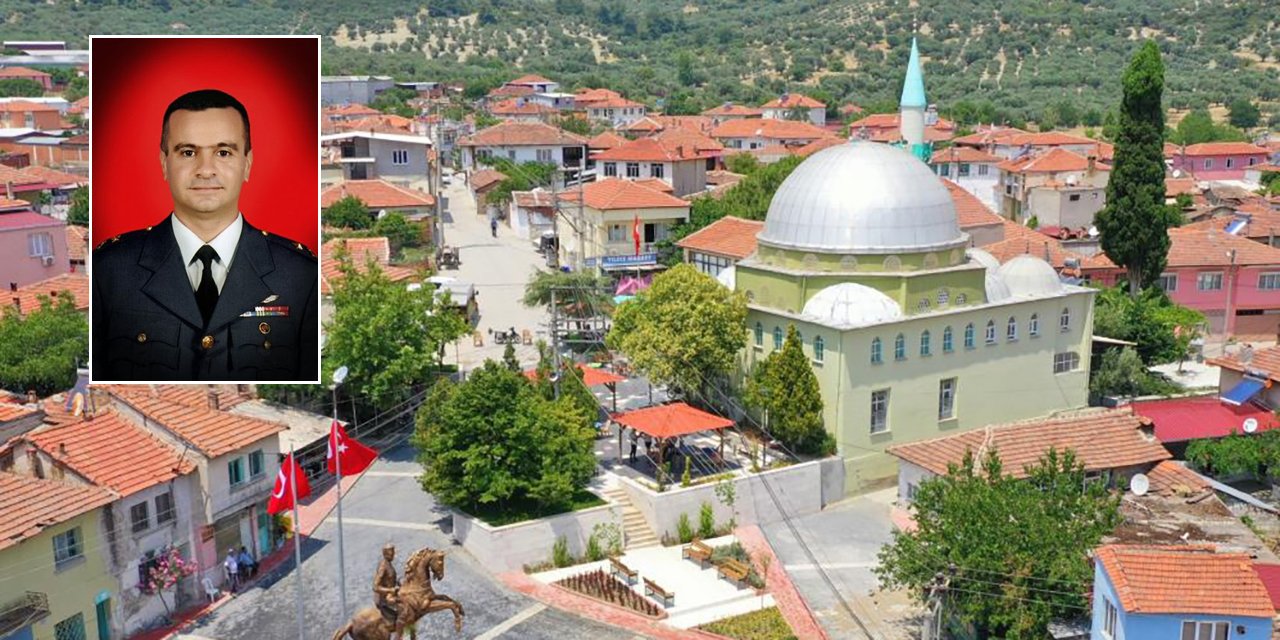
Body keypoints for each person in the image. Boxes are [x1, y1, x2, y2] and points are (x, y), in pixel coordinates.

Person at [92, 88, 318, 382]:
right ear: (164, 163)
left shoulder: (300, 275)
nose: (205, 170)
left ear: (247, 164)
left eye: (223, 152)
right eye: (188, 153)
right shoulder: (109, 271)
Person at [372, 543, 402, 624]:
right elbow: (375, 587)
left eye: (393, 552)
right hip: (384, 599)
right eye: (391, 553)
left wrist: (398, 583)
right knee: (405, 612)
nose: (393, 555)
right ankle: (400, 634)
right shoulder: (383, 566)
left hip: (391, 595)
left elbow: (389, 580)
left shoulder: (388, 563)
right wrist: (390, 590)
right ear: (385, 554)